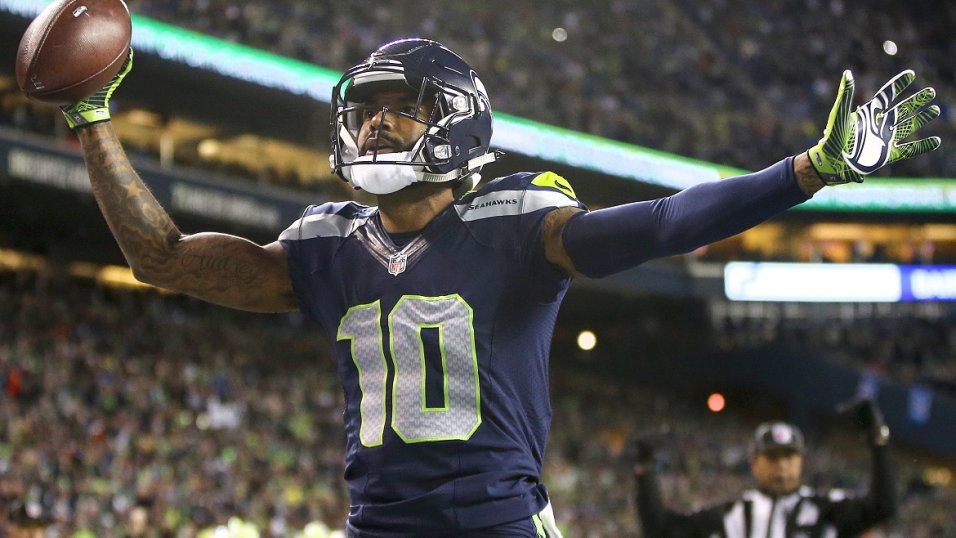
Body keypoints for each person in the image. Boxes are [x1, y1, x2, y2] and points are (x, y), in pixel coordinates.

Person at [54, 36, 939, 536]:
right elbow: (161, 258)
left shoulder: (521, 226)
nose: (369, 129)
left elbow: (668, 222)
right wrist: (94, 120)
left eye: (392, 110)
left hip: (499, 526)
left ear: (453, 122)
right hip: (380, 528)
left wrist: (809, 170)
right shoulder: (322, 245)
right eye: (359, 115)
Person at [633, 398, 897, 537]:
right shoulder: (731, 515)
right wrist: (645, 469)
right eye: (772, 458)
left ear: (801, 461)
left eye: (789, 456)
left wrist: (877, 439)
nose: (781, 465)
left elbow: (883, 505)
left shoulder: (825, 511)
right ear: (754, 463)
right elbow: (661, 530)